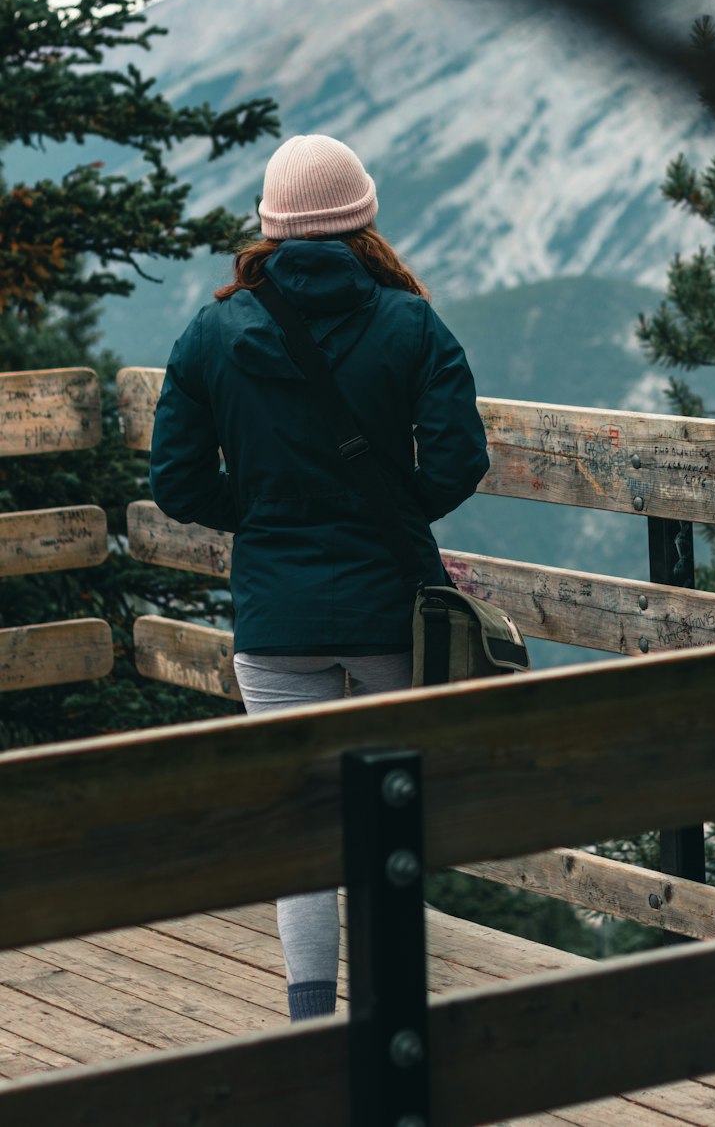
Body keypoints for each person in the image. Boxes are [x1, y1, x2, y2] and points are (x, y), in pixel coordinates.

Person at [149, 133, 490, 1022]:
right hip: (388, 614)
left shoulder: (214, 331)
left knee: (305, 830)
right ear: (363, 219)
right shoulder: (411, 321)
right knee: (392, 817)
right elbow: (460, 459)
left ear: (270, 225)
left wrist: (262, 517)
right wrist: (392, 517)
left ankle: (310, 1026)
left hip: (276, 621)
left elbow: (177, 484)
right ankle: (393, 1018)